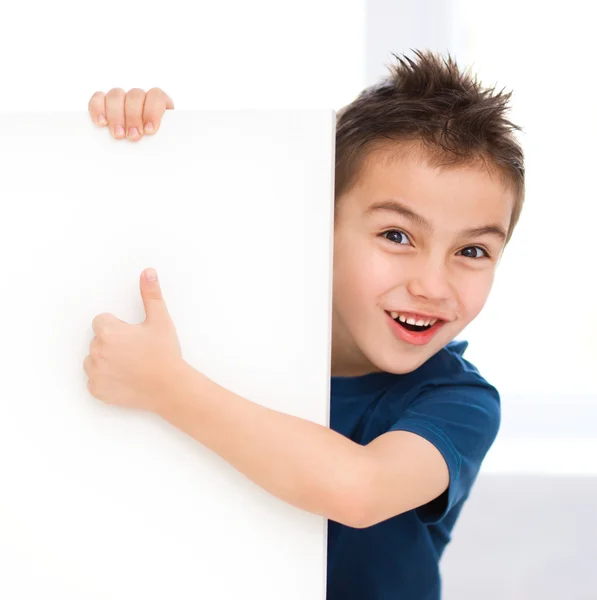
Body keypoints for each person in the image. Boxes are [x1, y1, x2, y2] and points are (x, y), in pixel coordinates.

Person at [84, 50, 525, 599]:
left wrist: (167, 386)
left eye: (473, 250)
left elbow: (359, 490)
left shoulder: (459, 402)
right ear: (317, 220)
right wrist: (147, 141)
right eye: (396, 235)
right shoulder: (244, 341)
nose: (433, 286)